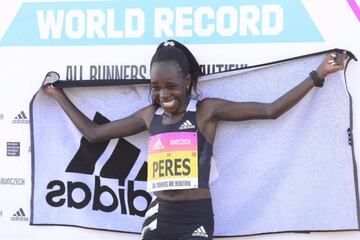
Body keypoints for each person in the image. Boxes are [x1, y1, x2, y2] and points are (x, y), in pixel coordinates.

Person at [42, 40, 347, 240]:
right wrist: (59, 96)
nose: (163, 95)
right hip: (158, 216)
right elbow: (94, 134)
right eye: (156, 86)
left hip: (195, 218)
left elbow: (270, 111)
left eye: (171, 86)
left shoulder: (206, 112)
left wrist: (316, 75)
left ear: (187, 81)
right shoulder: (150, 116)